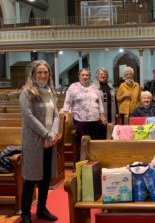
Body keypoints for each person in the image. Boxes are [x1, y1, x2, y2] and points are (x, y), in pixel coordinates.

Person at [19, 60, 59, 223]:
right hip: (34, 141)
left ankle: (42, 209)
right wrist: (46, 134)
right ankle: (25, 214)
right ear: (34, 74)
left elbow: (56, 114)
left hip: (49, 140)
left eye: (46, 72)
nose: (43, 75)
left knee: (45, 177)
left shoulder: (50, 91)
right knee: (30, 178)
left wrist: (54, 134)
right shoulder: (27, 92)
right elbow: (28, 117)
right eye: (40, 72)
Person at [63, 68, 106, 162]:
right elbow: (67, 102)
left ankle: (93, 163)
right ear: (79, 76)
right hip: (80, 121)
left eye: (87, 75)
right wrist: (66, 113)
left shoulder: (94, 87)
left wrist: (102, 115)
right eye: (82, 75)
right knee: (81, 144)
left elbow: (100, 103)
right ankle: (80, 163)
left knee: (93, 143)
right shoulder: (73, 87)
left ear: (89, 77)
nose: (85, 77)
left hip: (94, 121)